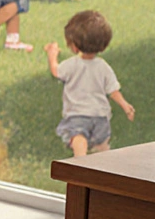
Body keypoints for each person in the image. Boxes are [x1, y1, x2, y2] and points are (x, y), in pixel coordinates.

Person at [44, 11, 135, 157]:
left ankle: (80, 158)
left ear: (74, 46)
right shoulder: (103, 66)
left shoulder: (72, 65)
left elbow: (56, 71)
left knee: (78, 136)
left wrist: (52, 54)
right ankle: (104, 160)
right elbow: (113, 90)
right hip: (100, 116)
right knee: (101, 143)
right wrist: (125, 105)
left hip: (77, 114)